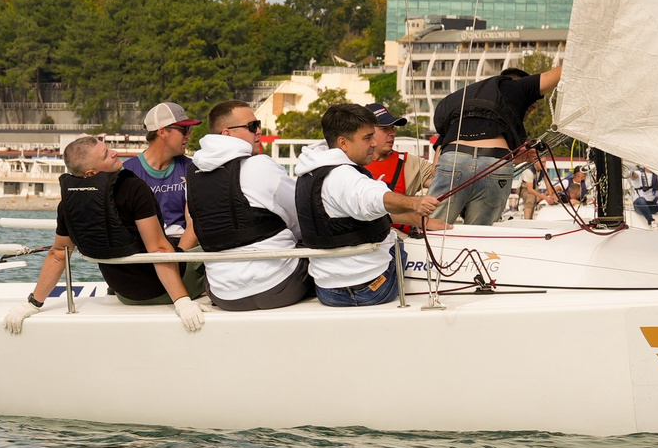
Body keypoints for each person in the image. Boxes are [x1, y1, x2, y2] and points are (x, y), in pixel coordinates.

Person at [6, 136, 204, 334]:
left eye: (108, 149)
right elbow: (159, 249)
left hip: (125, 295)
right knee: (210, 246)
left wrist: (33, 304)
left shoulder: (68, 203)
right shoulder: (134, 188)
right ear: (91, 172)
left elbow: (59, 253)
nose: (114, 153)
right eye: (106, 155)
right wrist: (182, 302)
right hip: (163, 292)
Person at [296, 103, 442, 306]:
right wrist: (416, 203)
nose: (373, 143)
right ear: (343, 143)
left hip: (327, 289)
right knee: (396, 243)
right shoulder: (344, 175)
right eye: (367, 138)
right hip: (371, 290)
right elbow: (375, 197)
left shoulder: (307, 171)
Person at [186, 100, 311, 311]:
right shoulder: (259, 165)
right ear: (227, 134)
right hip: (279, 285)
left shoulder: (193, 175)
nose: (259, 131)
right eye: (252, 126)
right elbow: (302, 216)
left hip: (223, 294)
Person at [429, 63, 560, 226]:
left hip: (454, 158)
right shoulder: (514, 87)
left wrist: (514, 158)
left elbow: (436, 166)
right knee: (480, 237)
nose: (534, 106)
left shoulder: (454, 100)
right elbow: (560, 73)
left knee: (430, 229)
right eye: (531, 100)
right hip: (495, 165)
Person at [122, 100, 208, 300]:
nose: (189, 135)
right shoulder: (126, 173)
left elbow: (194, 223)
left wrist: (176, 259)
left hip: (181, 253)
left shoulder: (193, 168)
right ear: (162, 132)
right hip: (147, 257)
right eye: (184, 129)